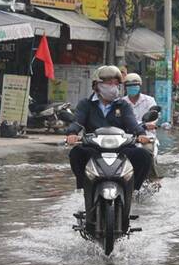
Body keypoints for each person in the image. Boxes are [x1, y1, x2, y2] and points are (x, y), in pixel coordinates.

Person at [66, 66, 154, 228]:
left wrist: (141, 134)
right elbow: (77, 121)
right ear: (96, 85)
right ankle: (84, 185)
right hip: (94, 149)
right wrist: (72, 133)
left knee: (144, 156)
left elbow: (132, 123)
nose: (112, 86)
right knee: (76, 153)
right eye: (108, 83)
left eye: (115, 83)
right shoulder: (86, 104)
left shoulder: (123, 105)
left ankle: (131, 189)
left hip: (120, 149)